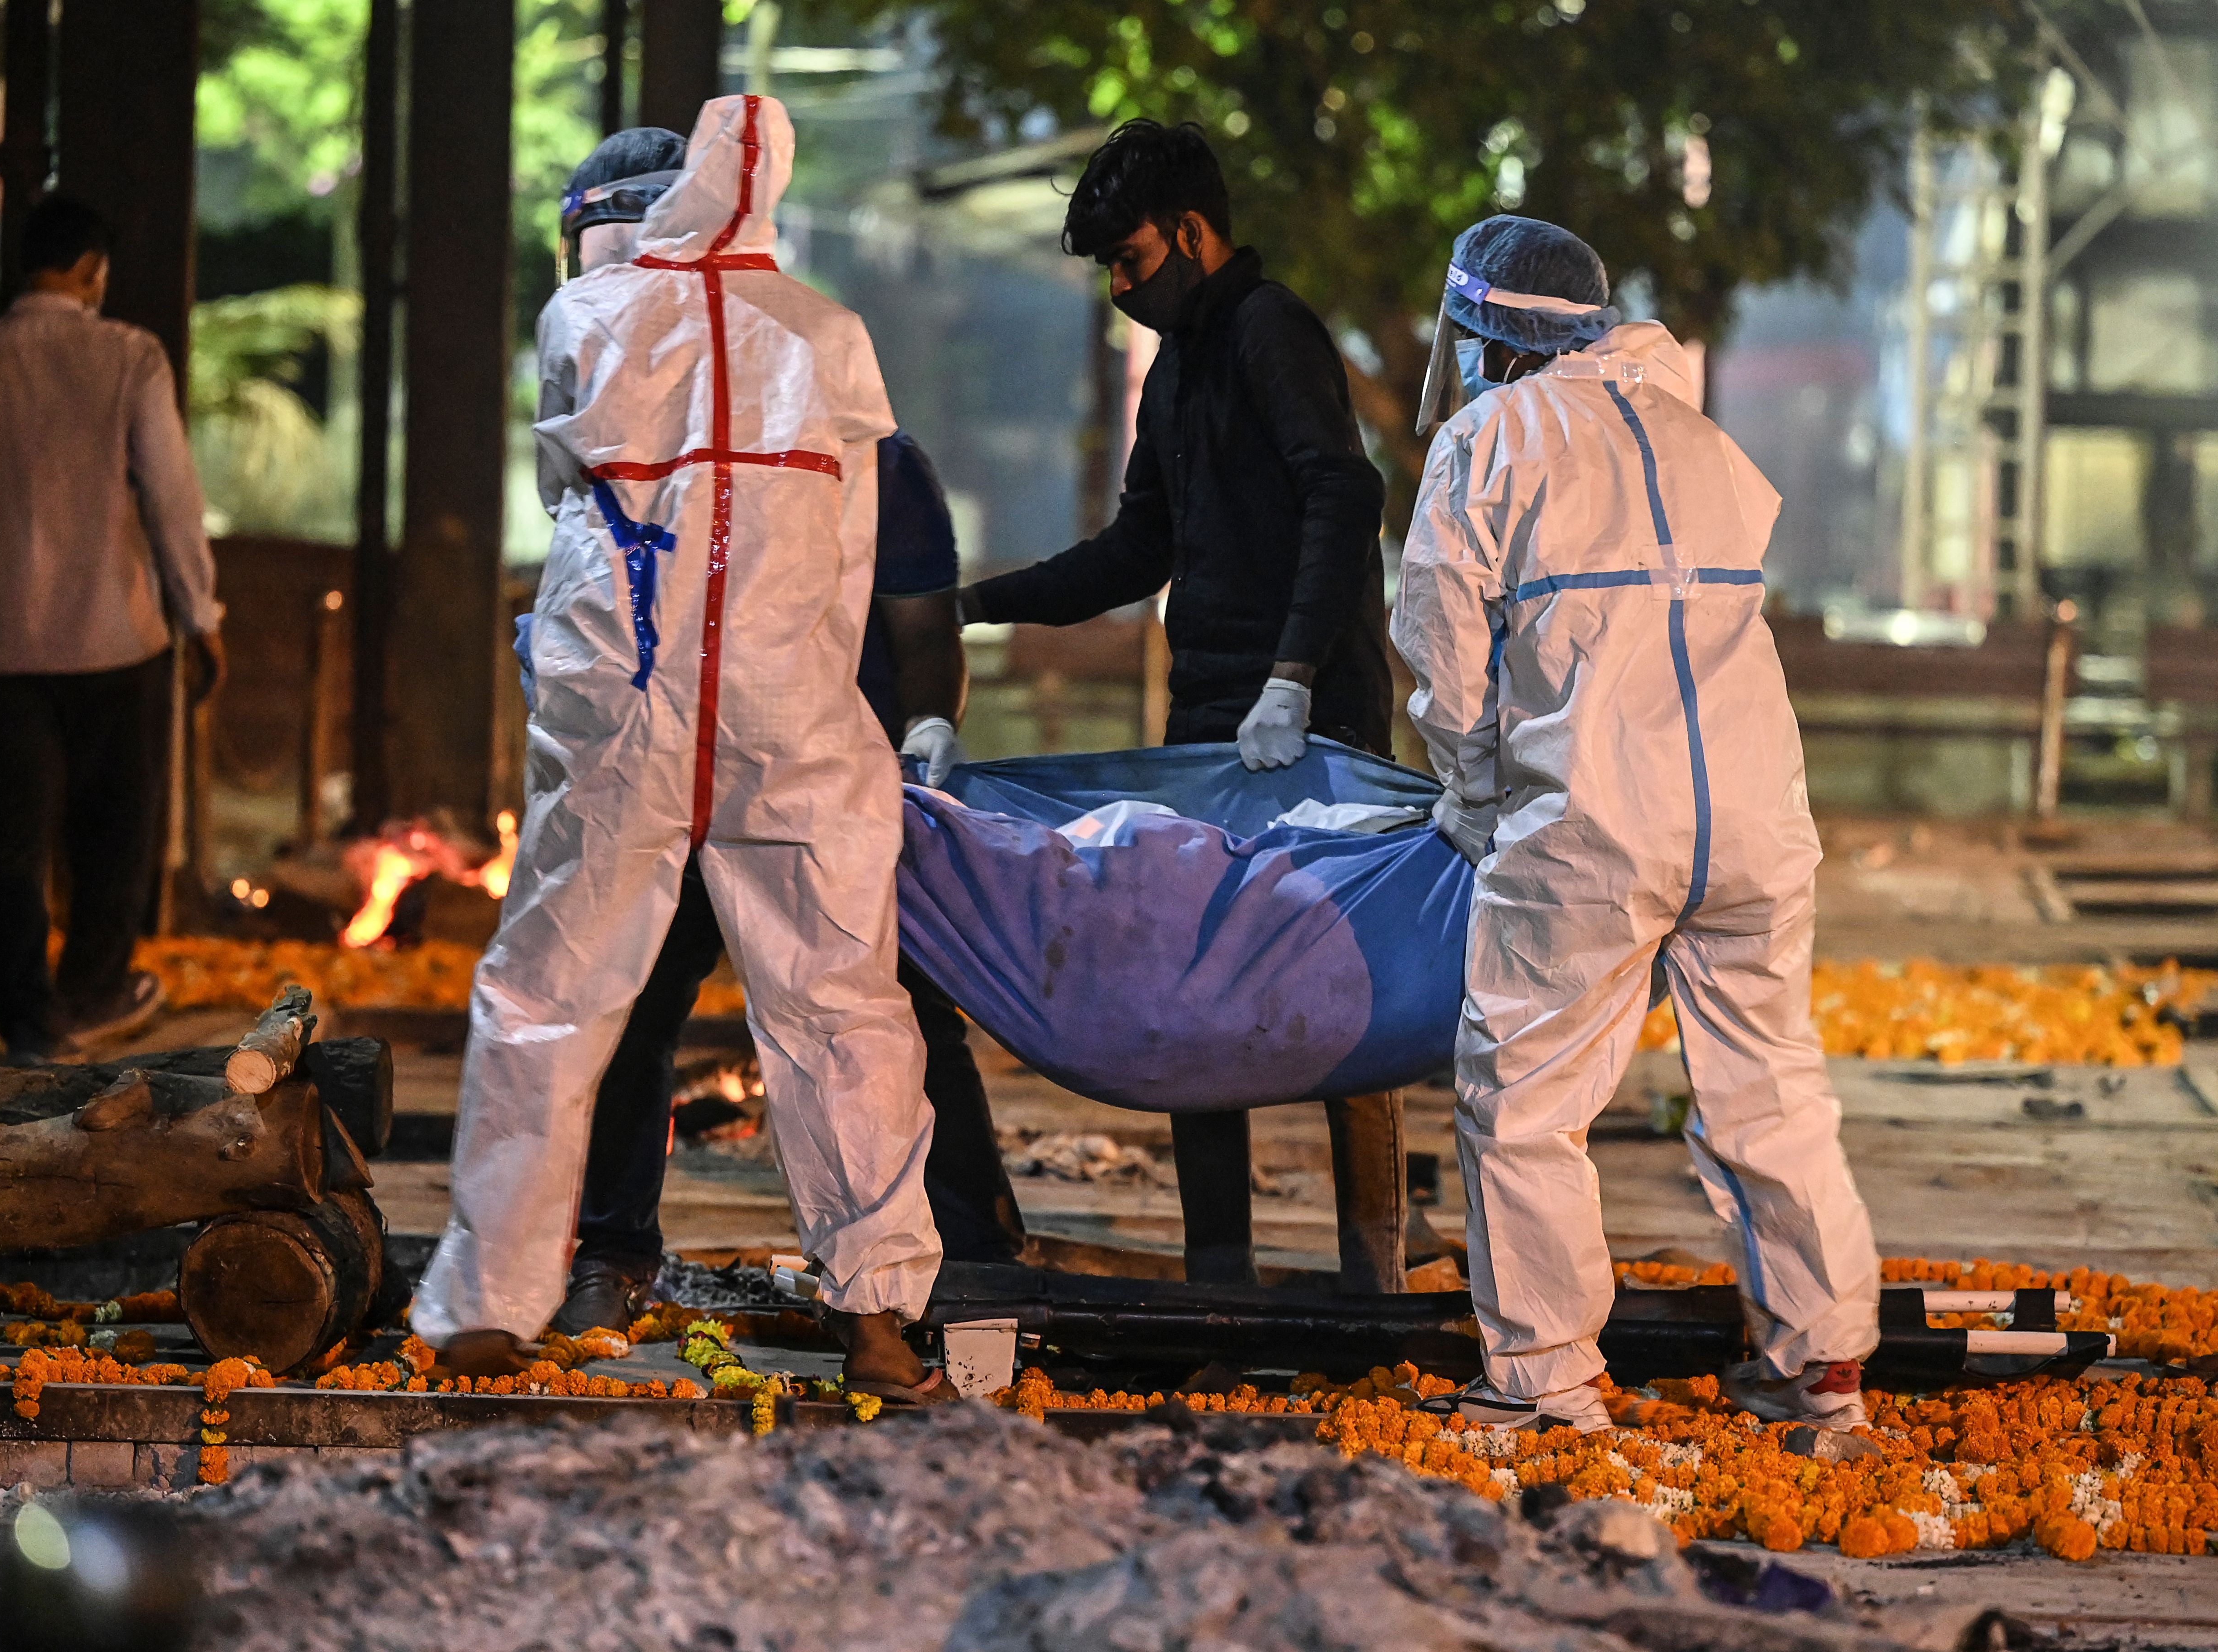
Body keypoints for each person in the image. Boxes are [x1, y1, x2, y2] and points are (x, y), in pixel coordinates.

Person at [415, 94, 954, 1401]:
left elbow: (570, 512)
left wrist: (581, 679)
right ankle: (880, 1317)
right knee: (842, 1011)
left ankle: (491, 1306)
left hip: (630, 713)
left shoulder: (586, 321)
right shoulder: (829, 333)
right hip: (791, 716)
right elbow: (853, 548)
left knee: (549, 994)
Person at [1393, 215, 1881, 1435]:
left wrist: (1470, 788)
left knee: (1525, 1097)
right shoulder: (1701, 435)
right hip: (1758, 818)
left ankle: (1549, 1381)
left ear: (1487, 333)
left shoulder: (1488, 438)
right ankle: (1824, 1368)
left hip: (1595, 817)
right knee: (1770, 1085)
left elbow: (1442, 649)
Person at [953, 118, 1392, 1286]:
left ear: (1194, 232)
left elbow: (1343, 496)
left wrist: (1295, 678)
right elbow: (1137, 547)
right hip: (1209, 729)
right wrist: (971, 603)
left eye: (1134, 260)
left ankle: (1373, 1278)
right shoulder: (1185, 363)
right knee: (1199, 1000)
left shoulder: (1270, 329)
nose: (1122, 287)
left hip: (1316, 727)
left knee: (1347, 991)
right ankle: (1221, 1281)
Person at [561, 429, 1027, 1335]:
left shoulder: (882, 466)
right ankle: (611, 1251)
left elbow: (925, 628)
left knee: (900, 1009)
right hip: (687, 778)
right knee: (637, 999)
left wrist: (928, 723)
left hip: (831, 787)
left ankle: (973, 1259)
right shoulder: (673, 459)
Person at [0, 193, 221, 1064]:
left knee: (13, 833)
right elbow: (171, 501)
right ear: (91, 270)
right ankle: (94, 990)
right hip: (115, 639)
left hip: (3, 644)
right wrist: (199, 615)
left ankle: (27, 1021)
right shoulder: (130, 358)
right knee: (112, 830)